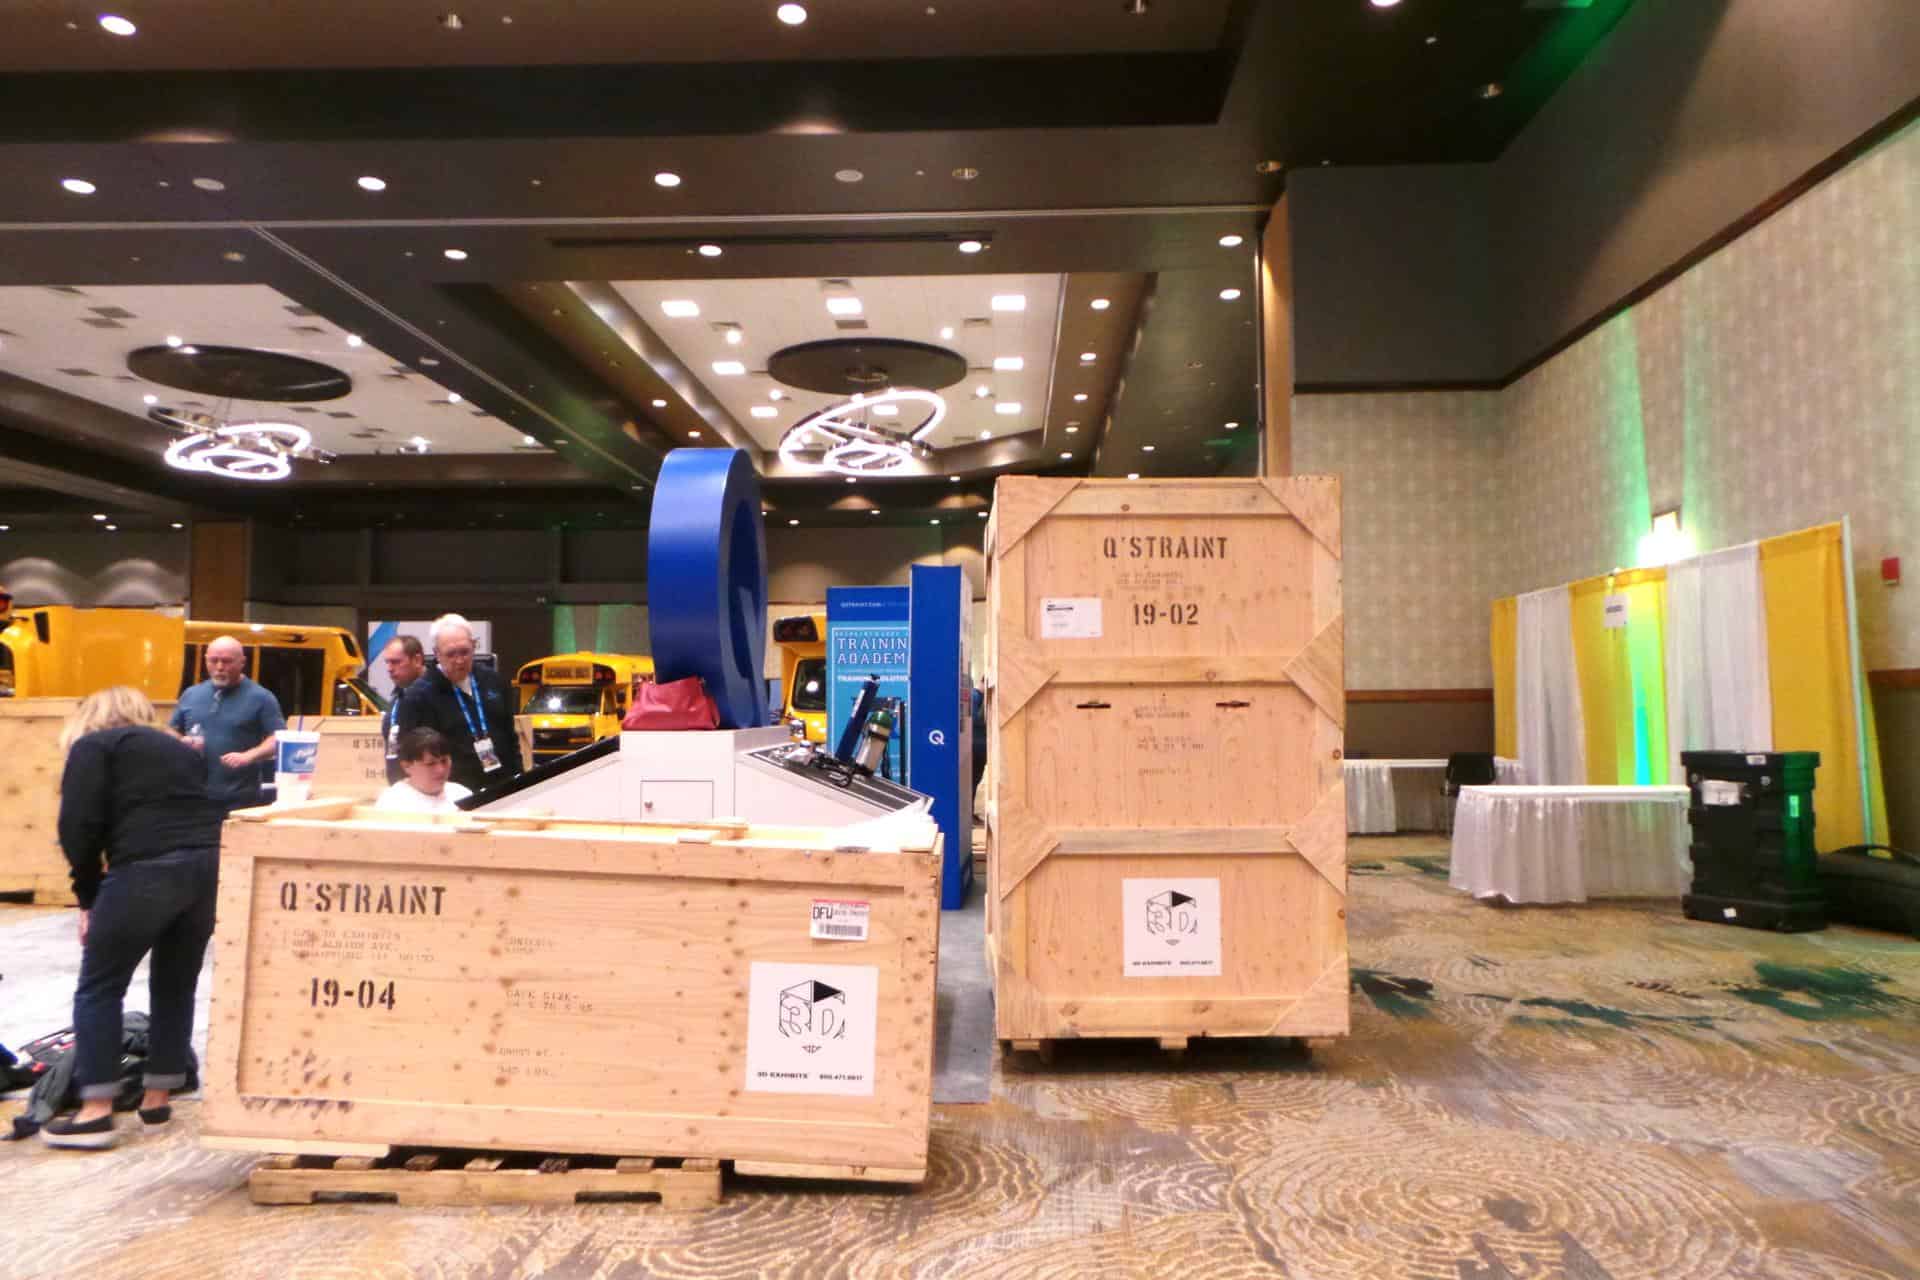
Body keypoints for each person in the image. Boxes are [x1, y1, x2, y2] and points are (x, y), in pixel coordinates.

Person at [43, 687, 223, 1149]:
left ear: (91, 716)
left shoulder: (93, 746)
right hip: (207, 869)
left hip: (145, 869)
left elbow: (77, 828)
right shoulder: (179, 748)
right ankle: (157, 1100)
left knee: (100, 986)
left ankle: (96, 1111)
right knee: (175, 985)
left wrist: (87, 898)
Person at [395, 613, 523, 793]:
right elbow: (409, 755)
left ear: (474, 645)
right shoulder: (418, 697)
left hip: (503, 785)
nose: (459, 660)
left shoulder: (494, 681)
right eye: (451, 654)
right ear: (437, 654)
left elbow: (510, 737)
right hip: (454, 793)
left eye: (464, 652)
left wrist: (519, 780)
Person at [168, 635, 285, 813]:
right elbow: (170, 730)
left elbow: (278, 738)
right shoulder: (191, 694)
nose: (220, 667)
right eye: (213, 661)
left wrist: (248, 756)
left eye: (227, 661)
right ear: (206, 660)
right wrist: (182, 741)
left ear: (242, 662)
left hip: (239, 799)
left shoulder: (261, 698)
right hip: (194, 795)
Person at [374, 728, 473, 813]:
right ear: (406, 766)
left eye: (444, 761)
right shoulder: (391, 803)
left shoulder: (462, 794)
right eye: (431, 764)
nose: (441, 770)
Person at [378, 634, 428, 783]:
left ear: (417, 660)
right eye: (387, 662)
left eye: (396, 662)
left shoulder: (434, 693)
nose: (389, 669)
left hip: (427, 784)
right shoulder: (398, 695)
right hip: (400, 784)